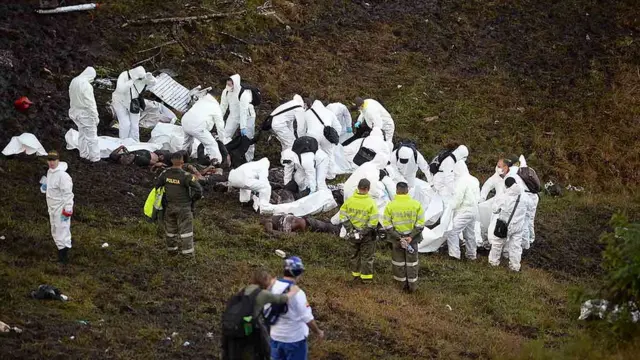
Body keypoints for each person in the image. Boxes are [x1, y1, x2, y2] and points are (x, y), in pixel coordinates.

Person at [221, 269, 300, 360]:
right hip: (247, 328)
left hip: (233, 325)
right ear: (265, 280)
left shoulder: (244, 289)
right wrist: (293, 291)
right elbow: (281, 299)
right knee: (265, 345)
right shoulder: (262, 294)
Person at [266, 257, 324, 360]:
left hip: (275, 337)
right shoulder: (298, 293)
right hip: (294, 340)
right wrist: (318, 332)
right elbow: (307, 318)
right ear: (298, 273)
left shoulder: (271, 286)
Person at [154, 152, 203, 256]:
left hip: (169, 207)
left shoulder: (165, 173)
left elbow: (157, 186)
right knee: (186, 232)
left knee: (170, 231)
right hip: (184, 207)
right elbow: (199, 190)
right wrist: (193, 199)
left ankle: (172, 252)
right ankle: (188, 256)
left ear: (171, 160)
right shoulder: (187, 176)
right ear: (182, 161)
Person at [381, 182, 424, 292]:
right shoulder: (416, 204)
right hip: (412, 240)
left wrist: (398, 237)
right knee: (412, 263)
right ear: (407, 191)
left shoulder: (390, 205)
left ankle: (400, 287)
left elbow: (387, 224)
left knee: (398, 262)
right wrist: (411, 237)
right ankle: (412, 287)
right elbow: (420, 224)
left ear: (396, 191)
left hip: (397, 240)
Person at [339, 179, 379, 283]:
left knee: (354, 255)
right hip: (367, 235)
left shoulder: (350, 200)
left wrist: (350, 229)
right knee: (367, 257)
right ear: (368, 189)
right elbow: (374, 222)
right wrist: (363, 232)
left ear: (358, 187)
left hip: (353, 234)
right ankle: (366, 280)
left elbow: (342, 216)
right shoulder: (371, 202)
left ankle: (354, 276)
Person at [488, 177, 527, 271]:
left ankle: (494, 263)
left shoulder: (504, 197)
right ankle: (515, 267)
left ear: (506, 186)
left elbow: (495, 210)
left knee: (497, 243)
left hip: (505, 225)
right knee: (516, 247)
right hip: (519, 226)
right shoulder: (525, 196)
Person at [42, 151, 74, 264]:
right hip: (52, 207)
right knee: (55, 229)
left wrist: (68, 208)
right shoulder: (50, 172)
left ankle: (63, 257)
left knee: (62, 229)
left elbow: (68, 194)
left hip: (60, 207)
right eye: (49, 160)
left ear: (58, 160)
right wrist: (45, 186)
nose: (51, 162)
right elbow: (50, 188)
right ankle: (62, 249)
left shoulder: (63, 176)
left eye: (53, 160)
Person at [445, 163, 480, 260]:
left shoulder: (461, 181)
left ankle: (454, 255)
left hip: (464, 210)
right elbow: (478, 196)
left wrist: (451, 207)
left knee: (452, 231)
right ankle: (471, 254)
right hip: (474, 210)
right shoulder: (474, 179)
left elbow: (458, 198)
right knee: (470, 233)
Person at [111, 66, 156, 141]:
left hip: (133, 102)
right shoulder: (124, 75)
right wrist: (132, 81)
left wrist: (150, 78)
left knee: (134, 125)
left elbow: (154, 83)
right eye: (139, 78)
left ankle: (134, 142)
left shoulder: (142, 77)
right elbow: (120, 89)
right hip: (120, 102)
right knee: (125, 124)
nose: (141, 80)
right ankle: (123, 142)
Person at [181, 93, 225, 165]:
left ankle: (181, 158)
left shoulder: (201, 101)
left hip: (185, 121)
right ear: (217, 98)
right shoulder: (216, 107)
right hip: (197, 125)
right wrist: (221, 140)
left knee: (187, 142)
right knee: (211, 144)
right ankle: (216, 163)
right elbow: (220, 126)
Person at [220, 74, 256, 161]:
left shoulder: (244, 94)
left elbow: (243, 111)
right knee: (225, 134)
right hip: (234, 115)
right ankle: (224, 154)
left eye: (230, 85)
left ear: (235, 84)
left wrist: (243, 127)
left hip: (248, 116)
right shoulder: (226, 92)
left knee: (248, 138)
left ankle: (249, 159)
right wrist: (218, 119)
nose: (228, 86)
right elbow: (223, 106)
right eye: (227, 84)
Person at [68, 66, 100, 162]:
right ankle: (95, 158)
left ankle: (83, 154)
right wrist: (95, 116)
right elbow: (90, 103)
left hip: (75, 111)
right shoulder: (86, 85)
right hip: (85, 113)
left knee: (82, 133)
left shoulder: (74, 81)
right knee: (92, 137)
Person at [304, 100, 341, 178]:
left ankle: (315, 174)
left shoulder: (307, 113)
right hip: (327, 136)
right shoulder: (329, 113)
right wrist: (334, 137)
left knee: (313, 155)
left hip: (312, 136)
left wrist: (303, 138)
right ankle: (331, 175)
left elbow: (302, 128)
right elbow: (338, 127)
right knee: (329, 155)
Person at [262, 215, 340, 235]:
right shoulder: (274, 222)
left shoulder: (271, 220)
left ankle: (339, 230)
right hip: (304, 225)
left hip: (306, 222)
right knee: (325, 227)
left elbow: (269, 230)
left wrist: (272, 231)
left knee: (327, 227)